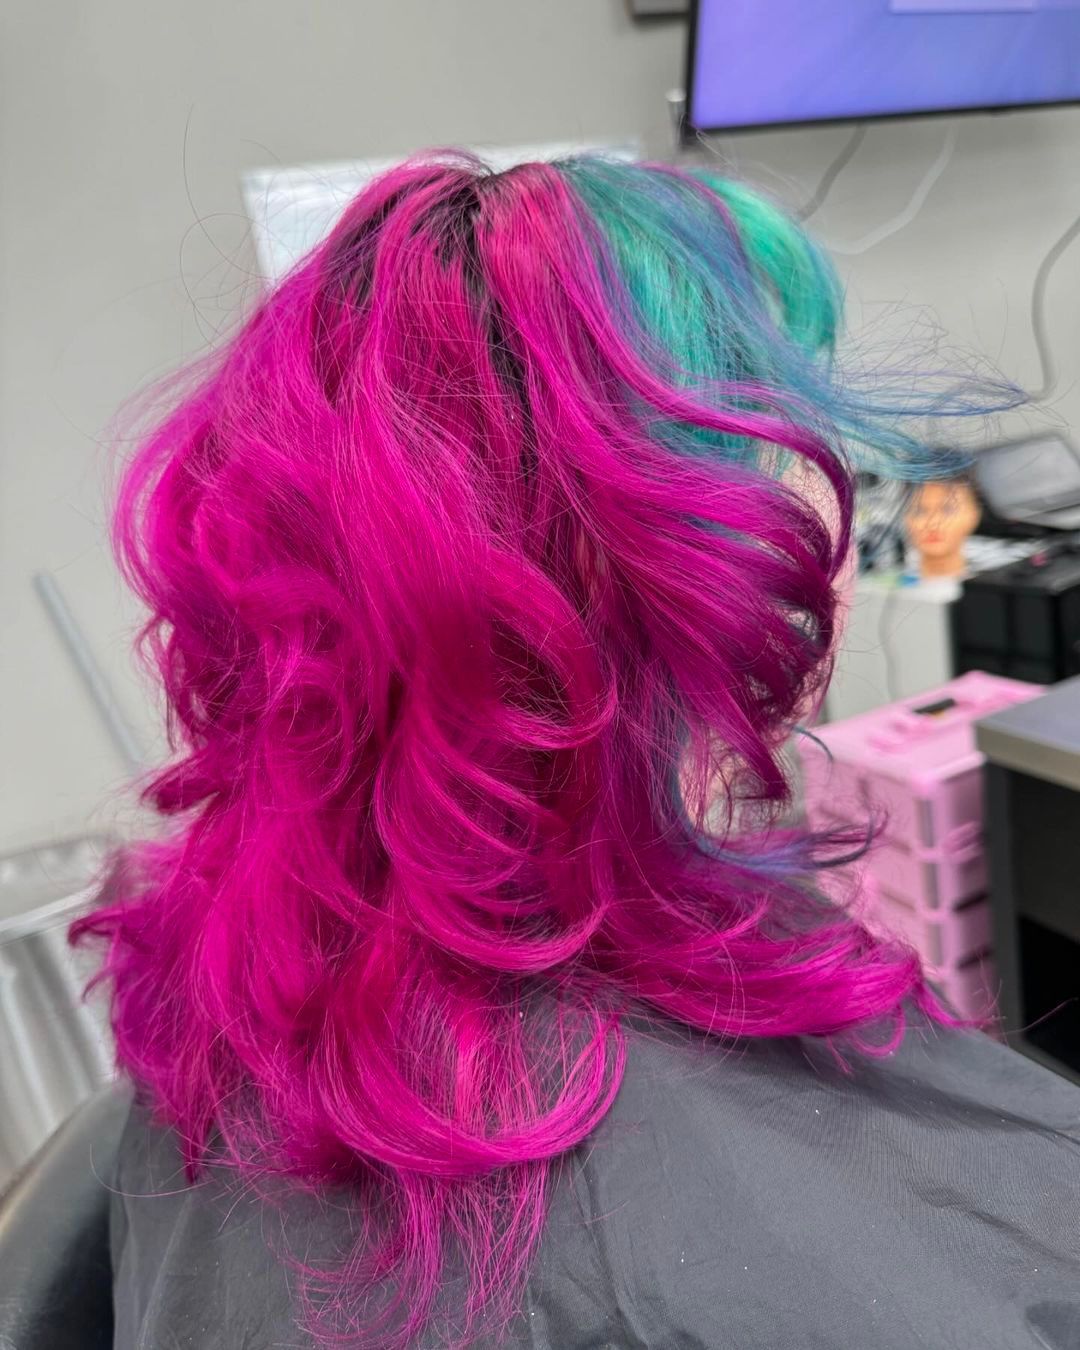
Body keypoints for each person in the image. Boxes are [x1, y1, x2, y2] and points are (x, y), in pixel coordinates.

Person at [76, 154, 1080, 1350]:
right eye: (785, 442)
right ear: (658, 565)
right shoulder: (706, 1264)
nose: (825, 509)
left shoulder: (231, 945)